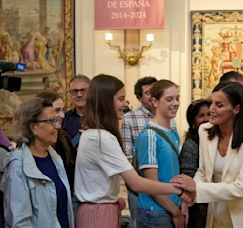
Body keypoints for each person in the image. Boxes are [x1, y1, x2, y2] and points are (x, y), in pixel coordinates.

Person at [74, 74, 183, 228]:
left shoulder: (92, 133)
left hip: (100, 209)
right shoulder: (101, 138)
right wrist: (180, 189)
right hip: (99, 214)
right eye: (120, 99)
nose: (125, 104)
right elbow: (136, 183)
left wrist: (111, 198)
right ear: (106, 102)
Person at [172, 81, 243, 228]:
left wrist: (197, 189)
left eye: (219, 105)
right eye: (212, 103)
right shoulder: (204, 131)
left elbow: (242, 187)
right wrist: (192, 194)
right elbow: (203, 172)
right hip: (216, 212)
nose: (211, 109)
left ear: (236, 109)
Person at [0, 97, 74, 228]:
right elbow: (20, 222)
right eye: (52, 121)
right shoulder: (18, 166)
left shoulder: (55, 158)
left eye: (56, 120)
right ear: (33, 127)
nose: (58, 126)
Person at [135, 79, 185, 228]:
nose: (175, 103)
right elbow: (151, 185)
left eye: (177, 98)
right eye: (169, 99)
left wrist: (181, 204)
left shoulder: (173, 132)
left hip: (172, 205)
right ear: (155, 102)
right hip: (155, 212)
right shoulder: (149, 136)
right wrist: (175, 212)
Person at [121, 76, 157, 227]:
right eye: (148, 93)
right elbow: (127, 154)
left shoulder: (169, 118)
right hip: (140, 183)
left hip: (163, 180)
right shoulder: (129, 118)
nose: (153, 95)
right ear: (139, 97)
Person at [178, 99, 211, 228]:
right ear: (193, 122)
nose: (206, 119)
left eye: (209, 114)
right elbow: (188, 177)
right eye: (201, 116)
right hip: (198, 205)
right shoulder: (191, 144)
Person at [62, 74, 91, 149]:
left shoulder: (101, 117)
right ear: (70, 95)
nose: (79, 95)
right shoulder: (63, 119)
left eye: (83, 90)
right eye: (74, 91)